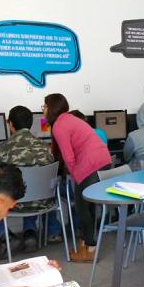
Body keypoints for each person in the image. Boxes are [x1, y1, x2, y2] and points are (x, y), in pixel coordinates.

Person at [44, 93, 111, 261]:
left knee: (82, 207)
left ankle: (89, 250)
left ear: (51, 108)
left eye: (45, 106)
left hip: (89, 164)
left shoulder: (59, 125)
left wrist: (75, 176)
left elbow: (68, 157)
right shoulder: (70, 119)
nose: (43, 109)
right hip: (103, 159)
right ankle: (88, 244)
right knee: (90, 206)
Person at [0, 105, 63, 258]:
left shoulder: (2, 148)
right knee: (31, 188)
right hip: (43, 202)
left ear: (10, 124)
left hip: (15, 204)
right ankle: (30, 233)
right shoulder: (46, 148)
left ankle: (6, 236)